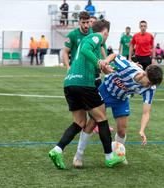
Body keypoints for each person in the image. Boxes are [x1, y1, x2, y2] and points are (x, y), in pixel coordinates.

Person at [48, 19, 125, 170]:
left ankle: (57, 150)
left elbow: (95, 61)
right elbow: (85, 50)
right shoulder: (96, 37)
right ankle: (109, 157)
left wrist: (107, 67)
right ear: (106, 32)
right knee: (101, 118)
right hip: (84, 84)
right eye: (107, 34)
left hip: (69, 83)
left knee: (79, 122)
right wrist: (99, 62)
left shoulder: (91, 42)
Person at [72, 54, 163, 168]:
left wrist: (142, 130)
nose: (149, 86)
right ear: (144, 73)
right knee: (92, 122)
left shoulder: (150, 88)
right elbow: (115, 56)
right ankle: (78, 156)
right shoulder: (128, 67)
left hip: (121, 99)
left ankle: (118, 154)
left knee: (122, 130)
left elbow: (146, 112)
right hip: (105, 91)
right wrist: (105, 61)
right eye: (149, 82)